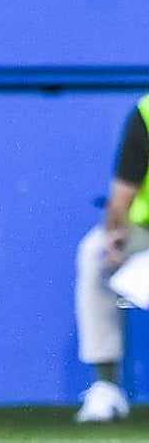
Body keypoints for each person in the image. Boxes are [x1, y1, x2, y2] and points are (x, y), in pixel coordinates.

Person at [74, 95, 149, 423]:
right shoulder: (147, 112)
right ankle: (106, 386)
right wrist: (114, 235)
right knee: (95, 253)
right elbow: (123, 193)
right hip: (146, 233)